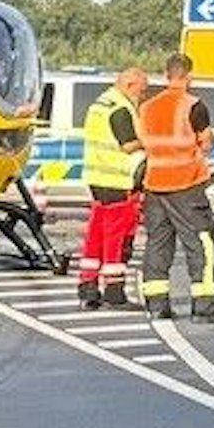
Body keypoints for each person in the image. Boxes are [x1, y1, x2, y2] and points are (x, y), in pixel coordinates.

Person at [136, 53, 214, 324]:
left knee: (157, 243)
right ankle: (204, 307)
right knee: (201, 243)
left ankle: (157, 305)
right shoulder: (193, 105)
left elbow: (144, 142)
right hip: (186, 184)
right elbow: (206, 143)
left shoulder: (147, 107)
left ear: (166, 75)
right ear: (189, 76)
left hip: (154, 184)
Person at [77, 67, 148, 310]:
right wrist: (150, 142)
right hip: (118, 181)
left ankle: (88, 286)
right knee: (116, 238)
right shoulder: (120, 108)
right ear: (130, 85)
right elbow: (128, 145)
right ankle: (114, 291)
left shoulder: (99, 104)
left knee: (96, 233)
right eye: (142, 89)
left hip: (97, 178)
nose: (143, 95)